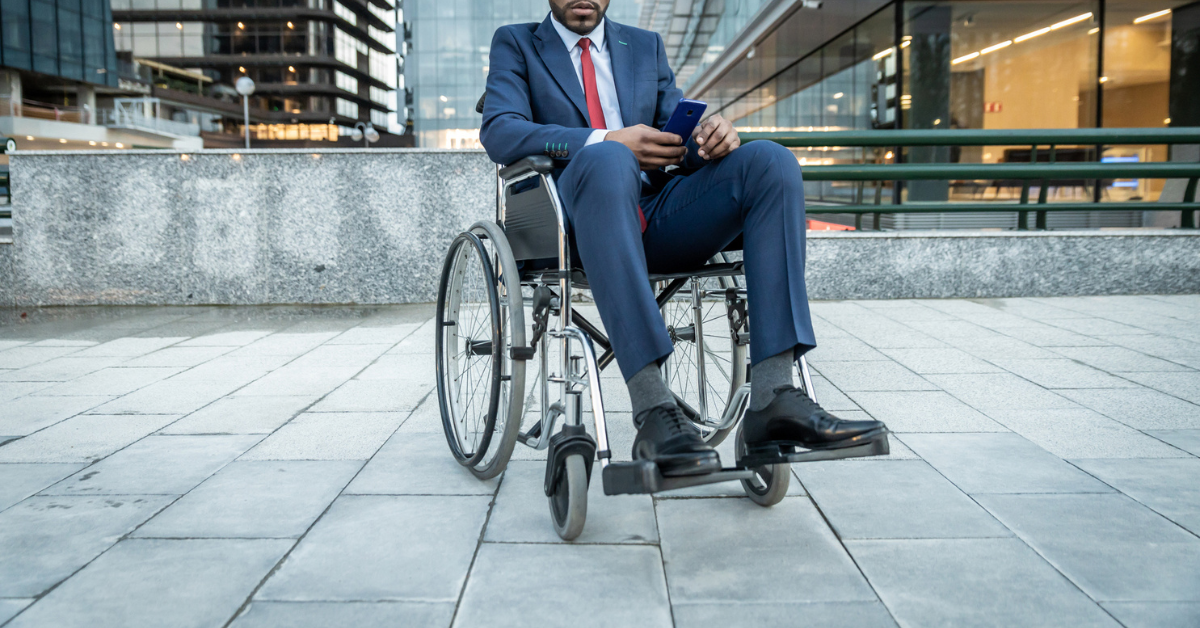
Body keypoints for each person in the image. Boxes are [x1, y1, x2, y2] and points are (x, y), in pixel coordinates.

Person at [480, 0, 886, 477]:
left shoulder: (643, 46)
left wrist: (708, 138)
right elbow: (501, 131)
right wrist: (604, 140)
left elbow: (681, 139)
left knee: (770, 162)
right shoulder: (518, 42)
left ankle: (772, 398)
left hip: (658, 214)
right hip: (575, 220)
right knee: (608, 160)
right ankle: (654, 410)